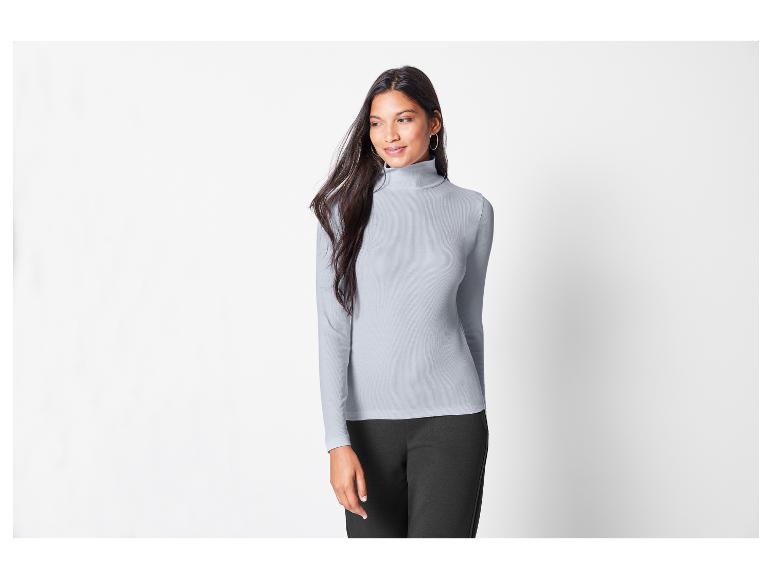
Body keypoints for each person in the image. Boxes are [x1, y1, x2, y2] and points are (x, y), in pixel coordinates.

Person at [309, 66, 494, 538]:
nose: (388, 135)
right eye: (376, 123)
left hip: (453, 424)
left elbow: (469, 322)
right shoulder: (341, 211)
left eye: (403, 119)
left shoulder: (472, 210)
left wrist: (477, 410)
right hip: (368, 430)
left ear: (434, 122)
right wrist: (336, 441)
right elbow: (333, 329)